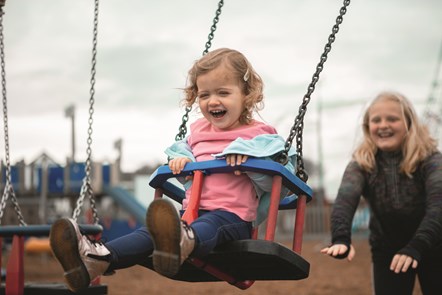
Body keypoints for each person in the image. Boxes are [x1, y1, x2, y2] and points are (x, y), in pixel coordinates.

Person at [49, 48, 296, 293]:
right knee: (151, 232)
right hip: (190, 214)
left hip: (232, 218)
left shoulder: (259, 137)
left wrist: (250, 160)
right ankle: (98, 257)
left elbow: (276, 183)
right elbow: (182, 152)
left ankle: (180, 242)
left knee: (209, 223)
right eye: (204, 94)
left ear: (246, 94)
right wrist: (180, 161)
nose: (212, 101)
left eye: (223, 92)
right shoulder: (198, 132)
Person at [320, 91, 442, 295]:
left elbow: (438, 206)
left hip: (435, 244)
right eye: (376, 120)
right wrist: (341, 238)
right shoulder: (362, 163)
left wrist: (415, 247)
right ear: (368, 127)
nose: (383, 125)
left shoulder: (430, 159)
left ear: (409, 124)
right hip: (388, 247)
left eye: (392, 119)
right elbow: (345, 199)